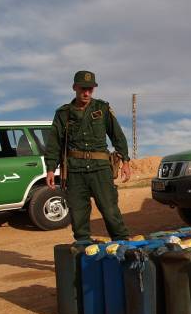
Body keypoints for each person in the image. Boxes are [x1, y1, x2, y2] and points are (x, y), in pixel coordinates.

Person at [45, 70, 131, 242]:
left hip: (100, 169)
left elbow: (117, 135)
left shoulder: (102, 108)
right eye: (83, 89)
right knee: (78, 215)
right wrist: (50, 168)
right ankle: (84, 251)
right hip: (75, 170)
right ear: (74, 87)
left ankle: (123, 247)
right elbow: (54, 142)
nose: (86, 93)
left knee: (110, 211)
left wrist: (126, 161)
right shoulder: (63, 113)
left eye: (90, 89)